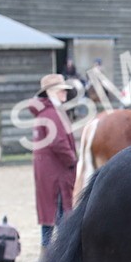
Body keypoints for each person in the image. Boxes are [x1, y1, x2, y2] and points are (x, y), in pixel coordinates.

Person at [31, 74, 78, 249]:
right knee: (60, 212)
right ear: (51, 92)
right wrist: (72, 160)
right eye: (61, 91)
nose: (64, 94)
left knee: (49, 214)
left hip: (47, 171)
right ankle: (58, 250)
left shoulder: (45, 112)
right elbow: (59, 143)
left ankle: (48, 249)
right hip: (57, 172)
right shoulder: (53, 114)